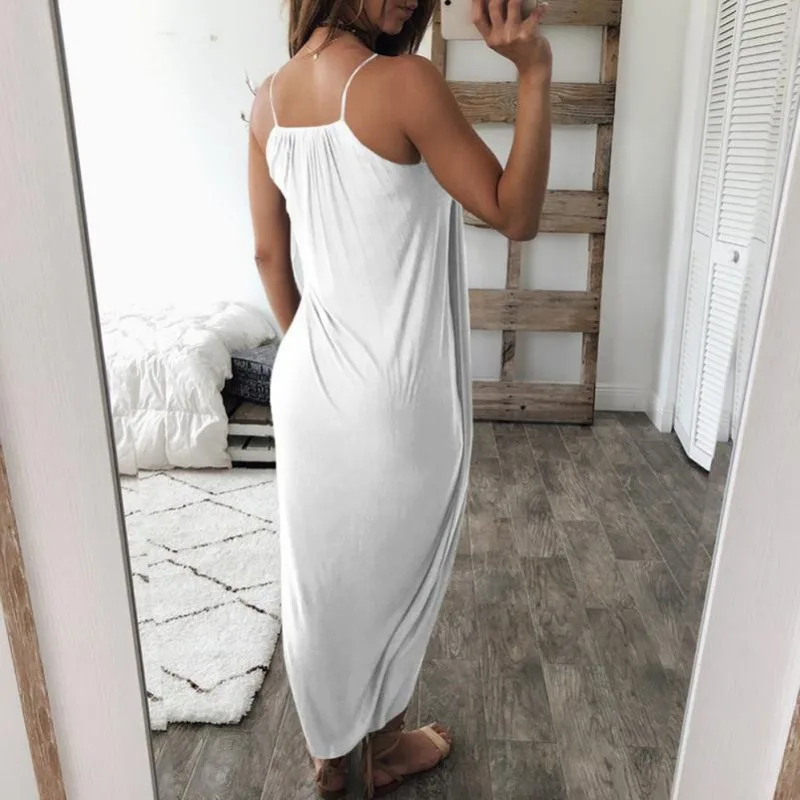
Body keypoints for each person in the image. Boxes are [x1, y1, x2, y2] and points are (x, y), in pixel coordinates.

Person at [248, 0, 551, 795]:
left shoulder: (266, 101)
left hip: (306, 384)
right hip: (394, 396)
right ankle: (374, 747)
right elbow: (516, 213)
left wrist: (320, 361)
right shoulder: (406, 83)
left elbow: (269, 256)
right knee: (396, 578)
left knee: (321, 581)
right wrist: (534, 73)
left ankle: (336, 753)